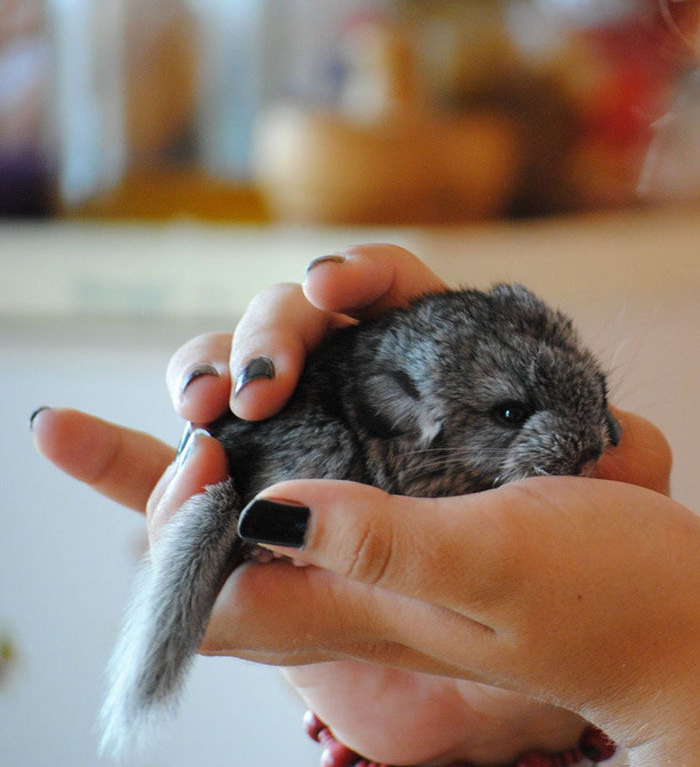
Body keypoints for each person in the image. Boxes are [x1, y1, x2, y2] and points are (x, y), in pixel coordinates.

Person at [31, 244, 699, 767]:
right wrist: (492, 731)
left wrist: (655, 685)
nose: (593, 438)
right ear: (395, 404)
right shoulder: (397, 423)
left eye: (591, 391)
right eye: (507, 414)